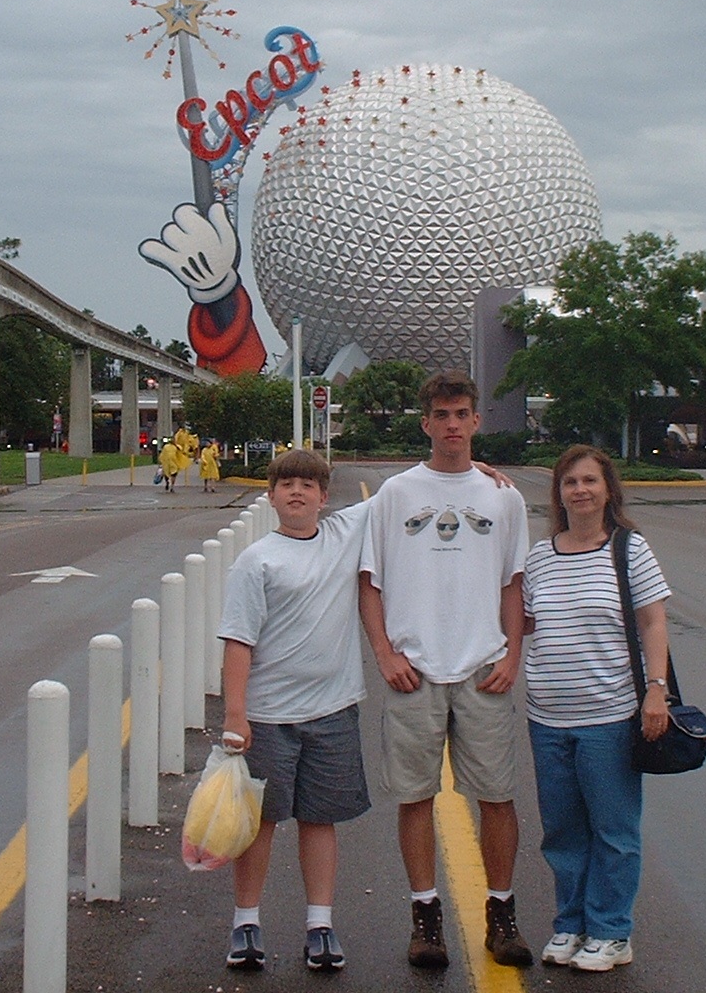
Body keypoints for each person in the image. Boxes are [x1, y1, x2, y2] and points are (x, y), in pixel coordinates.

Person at [359, 370, 533, 969]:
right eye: (442, 415)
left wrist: (512, 654)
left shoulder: (503, 497)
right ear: (426, 423)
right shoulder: (395, 494)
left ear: (476, 420)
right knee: (415, 797)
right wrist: (385, 653)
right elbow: (369, 580)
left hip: (483, 667)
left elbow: (513, 582)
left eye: (462, 414)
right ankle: (425, 916)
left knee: (498, 797)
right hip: (415, 669)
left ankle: (501, 913)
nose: (453, 425)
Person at [218, 449, 371, 972]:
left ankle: (320, 924)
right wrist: (235, 715)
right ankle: (246, 922)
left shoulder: (343, 535)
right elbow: (238, 641)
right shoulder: (256, 560)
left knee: (319, 819)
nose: (298, 492)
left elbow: (414, 487)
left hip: (333, 711)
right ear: (271, 496)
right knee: (259, 822)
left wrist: (473, 467)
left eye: (308, 485)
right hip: (268, 716)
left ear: (325, 497)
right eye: (287, 485)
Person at [521, 445, 670, 972]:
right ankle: (571, 924)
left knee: (613, 830)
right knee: (562, 832)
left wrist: (656, 690)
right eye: (570, 482)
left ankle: (611, 931)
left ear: (608, 490)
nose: (580, 490)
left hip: (610, 716)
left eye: (589, 481)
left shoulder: (629, 549)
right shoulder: (541, 556)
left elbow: (653, 621)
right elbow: (524, 621)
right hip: (547, 718)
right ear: (558, 494)